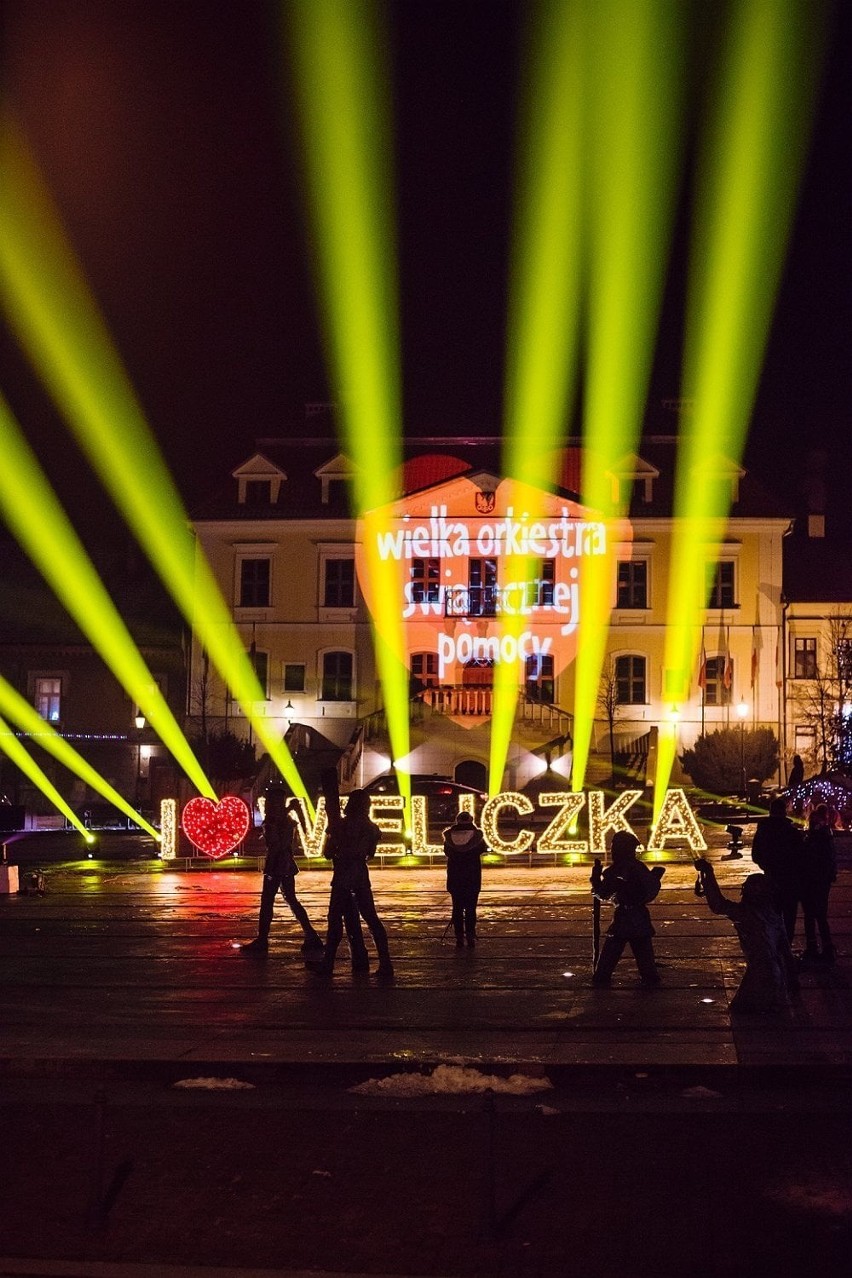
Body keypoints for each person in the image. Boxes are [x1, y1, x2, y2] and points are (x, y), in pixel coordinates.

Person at [307, 788, 394, 981]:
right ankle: (385, 962)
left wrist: (339, 846)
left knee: (335, 919)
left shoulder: (340, 825)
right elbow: (369, 854)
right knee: (371, 919)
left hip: (343, 876)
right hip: (361, 875)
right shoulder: (372, 828)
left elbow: (329, 852)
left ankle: (328, 962)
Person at [695, 858, 799, 1014]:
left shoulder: (749, 914)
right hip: (772, 974)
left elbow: (718, 905)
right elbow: (785, 951)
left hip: (762, 976)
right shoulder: (772, 915)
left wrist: (709, 874)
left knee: (750, 1013)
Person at [240, 790, 324, 956]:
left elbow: (275, 844)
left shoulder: (275, 821)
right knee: (291, 900)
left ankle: (263, 939)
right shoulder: (285, 820)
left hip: (276, 863)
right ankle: (310, 934)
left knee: (268, 901)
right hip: (285, 863)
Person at [590, 831, 666, 987]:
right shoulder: (636, 867)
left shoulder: (620, 870)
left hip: (626, 918)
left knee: (609, 961)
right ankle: (650, 981)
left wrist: (596, 881)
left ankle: (602, 979)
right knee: (644, 959)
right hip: (637, 918)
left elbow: (604, 892)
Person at [749, 796, 804, 943]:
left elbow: (756, 855)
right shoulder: (791, 832)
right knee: (789, 917)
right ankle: (787, 949)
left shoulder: (763, 831)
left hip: (771, 879)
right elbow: (801, 856)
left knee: (772, 915)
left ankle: (774, 947)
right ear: (784, 812)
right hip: (790, 881)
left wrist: (767, 866)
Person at [799, 804, 837, 965]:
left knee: (813, 915)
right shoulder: (825, 837)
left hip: (813, 881)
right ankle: (823, 947)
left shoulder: (816, 839)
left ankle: (816, 947)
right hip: (819, 881)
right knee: (818, 915)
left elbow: (810, 860)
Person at [442, 810, 486, 948]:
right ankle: (471, 936)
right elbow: (483, 849)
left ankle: (459, 937)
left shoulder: (449, 837)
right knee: (471, 909)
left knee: (457, 908)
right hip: (472, 878)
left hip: (455, 878)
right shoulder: (477, 836)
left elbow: (447, 852)